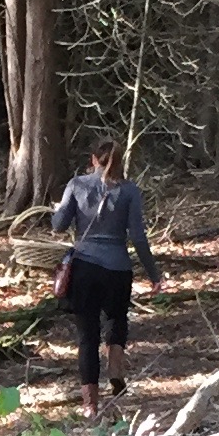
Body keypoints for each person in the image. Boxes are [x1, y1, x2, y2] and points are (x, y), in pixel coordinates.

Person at [49, 138, 162, 417]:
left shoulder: (76, 185)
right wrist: (154, 274)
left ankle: (90, 404)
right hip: (118, 268)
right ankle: (115, 370)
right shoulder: (130, 190)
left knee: (87, 336)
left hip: (84, 267)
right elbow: (137, 236)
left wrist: (58, 211)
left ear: (93, 159)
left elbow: (59, 226)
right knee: (116, 320)